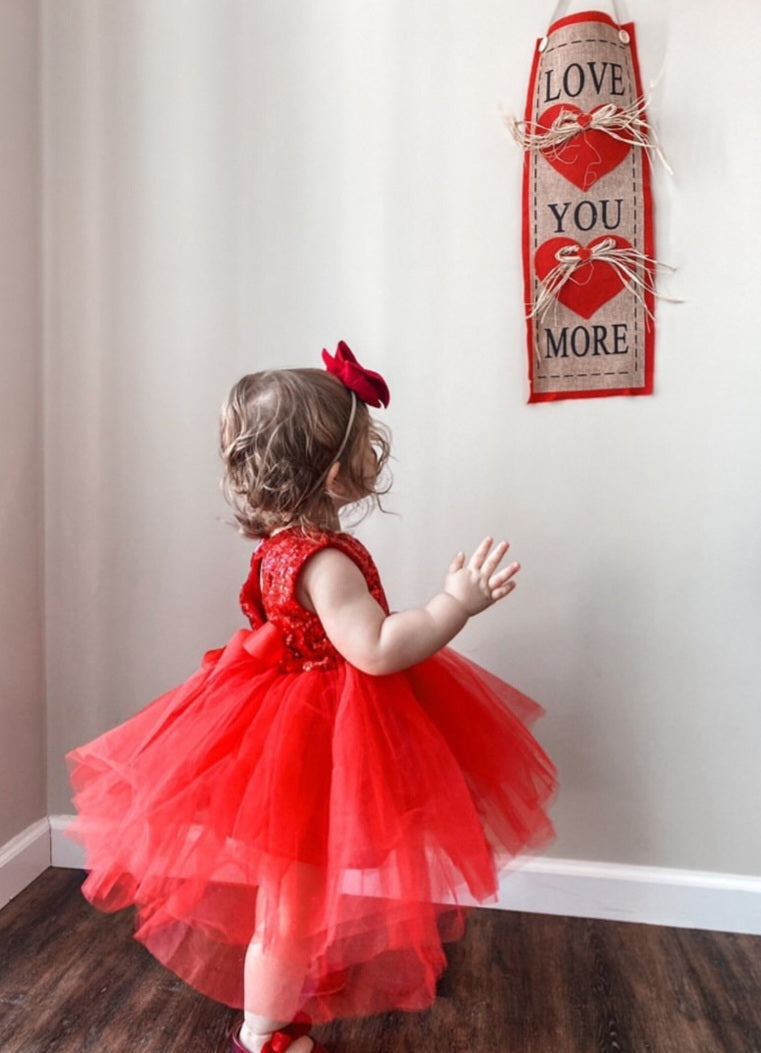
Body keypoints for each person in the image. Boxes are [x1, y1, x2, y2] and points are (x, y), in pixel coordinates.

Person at [67, 342, 556, 1053]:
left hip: (282, 718)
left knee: (295, 888)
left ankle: (282, 991)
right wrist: (456, 604)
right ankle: (262, 1032)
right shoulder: (324, 560)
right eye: (367, 447)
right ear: (332, 471)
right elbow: (377, 649)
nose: (376, 460)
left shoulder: (280, 545)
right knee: (290, 902)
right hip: (317, 734)